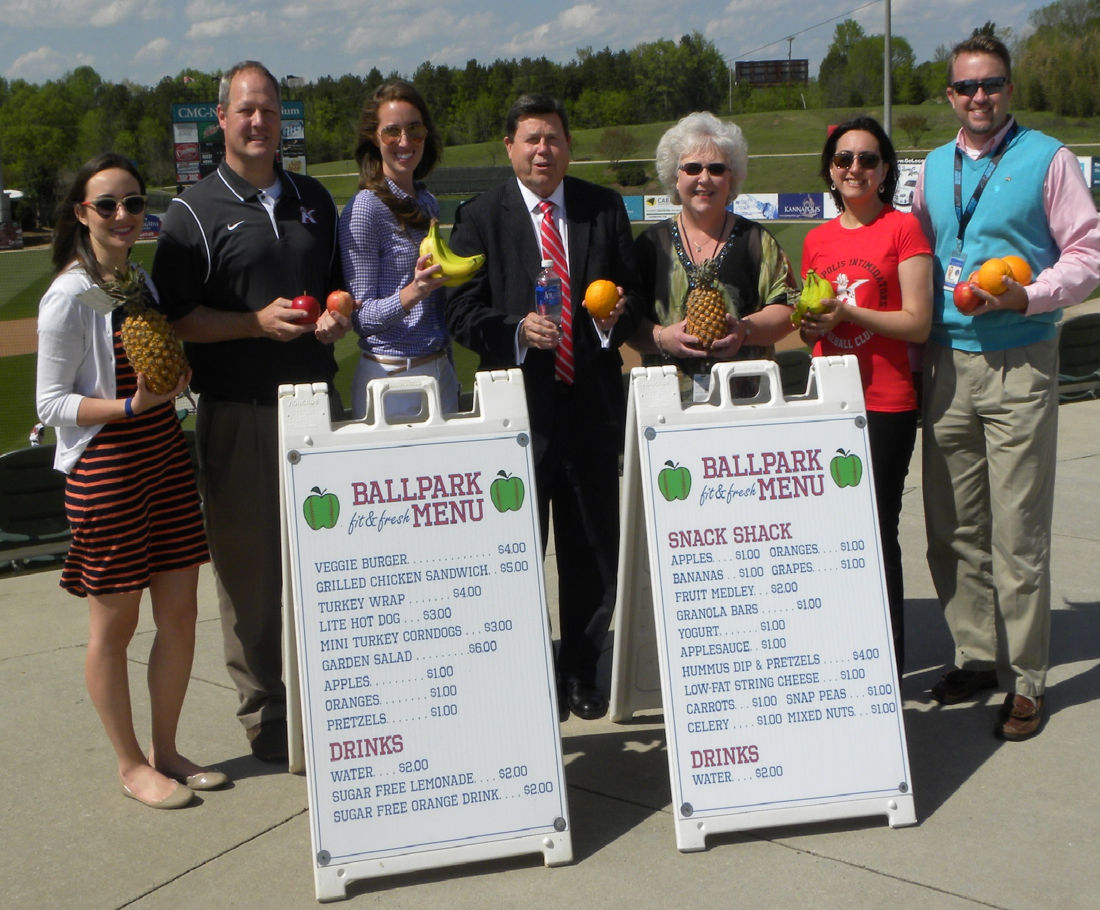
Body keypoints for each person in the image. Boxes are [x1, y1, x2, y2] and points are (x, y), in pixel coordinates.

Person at [152, 61, 349, 763]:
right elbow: (176, 320)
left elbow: (337, 291)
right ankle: (264, 709)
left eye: (268, 110)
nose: (258, 121)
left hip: (318, 405)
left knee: (330, 560)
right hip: (239, 412)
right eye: (245, 111)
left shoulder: (314, 198)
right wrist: (251, 324)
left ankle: (335, 692)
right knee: (250, 572)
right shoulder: (193, 212)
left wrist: (334, 317)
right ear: (222, 120)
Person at [912, 35, 1100, 739]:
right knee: (950, 528)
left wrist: (1030, 295)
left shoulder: (1048, 158)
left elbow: (1088, 253)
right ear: (950, 96)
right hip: (945, 364)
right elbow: (921, 256)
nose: (979, 97)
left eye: (991, 84)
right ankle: (976, 652)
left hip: (1019, 359)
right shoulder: (932, 167)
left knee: (1017, 530)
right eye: (966, 87)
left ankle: (1026, 680)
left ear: (1009, 89)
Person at [36, 153, 227, 808]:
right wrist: (126, 407)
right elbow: (51, 405)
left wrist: (175, 382)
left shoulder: (136, 282)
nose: (124, 216)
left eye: (135, 203)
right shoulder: (68, 296)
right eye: (108, 204)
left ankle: (165, 749)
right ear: (82, 213)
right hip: (108, 470)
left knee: (179, 613)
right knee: (113, 630)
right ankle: (128, 765)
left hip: (164, 459)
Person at [447, 93, 643, 721]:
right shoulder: (480, 215)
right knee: (515, 551)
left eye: (553, 138)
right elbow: (460, 311)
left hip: (590, 408)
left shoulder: (602, 208)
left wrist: (616, 320)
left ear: (568, 145)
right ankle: (522, 670)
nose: (542, 150)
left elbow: (631, 293)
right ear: (509, 146)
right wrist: (514, 330)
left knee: (590, 549)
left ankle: (581, 671)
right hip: (517, 415)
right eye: (530, 138)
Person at [799, 116, 933, 672]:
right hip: (829, 399)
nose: (855, 168)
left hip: (885, 401)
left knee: (875, 527)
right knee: (831, 532)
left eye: (867, 159)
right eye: (844, 159)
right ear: (830, 170)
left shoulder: (903, 229)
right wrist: (812, 327)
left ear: (884, 171)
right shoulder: (816, 239)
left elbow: (918, 323)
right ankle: (843, 643)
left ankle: (887, 657)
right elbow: (810, 327)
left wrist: (849, 311)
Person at [630, 111, 798, 395]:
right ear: (675, 176)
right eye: (692, 168)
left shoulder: (757, 241)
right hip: (666, 402)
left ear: (732, 179)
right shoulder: (649, 245)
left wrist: (745, 331)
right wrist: (662, 338)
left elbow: (788, 307)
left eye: (717, 169)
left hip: (746, 400)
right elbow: (629, 321)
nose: (704, 179)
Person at [339, 81, 457, 418]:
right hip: (391, 378)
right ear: (374, 139)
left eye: (414, 130)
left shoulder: (427, 201)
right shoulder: (365, 209)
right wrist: (415, 290)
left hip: (439, 371)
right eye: (392, 131)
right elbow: (361, 318)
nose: (404, 142)